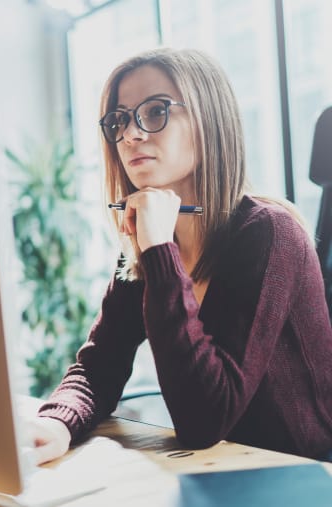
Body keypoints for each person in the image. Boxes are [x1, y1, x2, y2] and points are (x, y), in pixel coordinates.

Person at [25, 47, 332, 465]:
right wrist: (56, 423)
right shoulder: (149, 245)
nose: (130, 135)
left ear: (208, 120)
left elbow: (205, 419)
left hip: (299, 473)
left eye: (155, 112)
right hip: (219, 471)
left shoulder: (268, 233)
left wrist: (158, 251)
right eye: (119, 120)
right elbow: (99, 364)